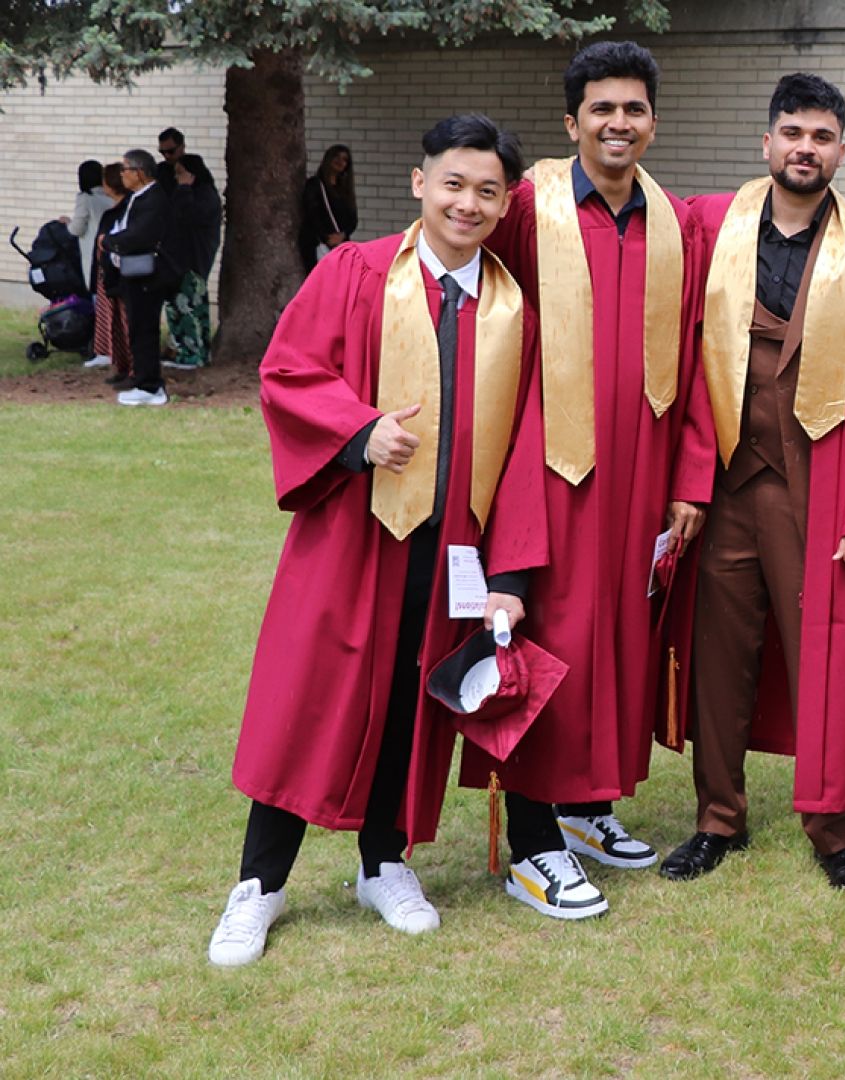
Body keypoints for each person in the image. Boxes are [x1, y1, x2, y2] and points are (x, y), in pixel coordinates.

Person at [206, 114, 547, 966]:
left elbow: (526, 450)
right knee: (306, 697)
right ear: (419, 183)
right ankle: (259, 883)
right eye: (454, 184)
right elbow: (288, 371)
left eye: (487, 191)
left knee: (408, 703)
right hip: (354, 531)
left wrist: (508, 570)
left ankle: (383, 862)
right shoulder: (356, 273)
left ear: (505, 205)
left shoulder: (511, 308)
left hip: (450, 544)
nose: (467, 203)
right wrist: (359, 434)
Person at [470, 40, 715, 919]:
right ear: (571, 121)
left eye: (634, 109)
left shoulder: (674, 222)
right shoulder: (527, 208)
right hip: (548, 468)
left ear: (654, 120)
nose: (619, 123)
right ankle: (535, 844)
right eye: (601, 109)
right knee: (551, 636)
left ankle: (585, 808)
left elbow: (695, 358)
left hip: (642, 478)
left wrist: (690, 478)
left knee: (619, 641)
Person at [662, 72, 845, 892]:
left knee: (830, 652)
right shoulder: (709, 226)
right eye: (792, 134)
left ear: (841, 150)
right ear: (765, 142)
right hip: (726, 476)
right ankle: (717, 818)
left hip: (822, 478)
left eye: (821, 137)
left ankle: (832, 829)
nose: (805, 149)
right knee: (718, 653)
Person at [100, 148, 186, 406]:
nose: (122, 175)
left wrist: (110, 242)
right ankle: (143, 381)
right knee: (138, 329)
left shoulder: (154, 199)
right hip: (134, 274)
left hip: (149, 275)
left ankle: (150, 387)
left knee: (145, 329)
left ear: (139, 172)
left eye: (125, 169)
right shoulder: (138, 197)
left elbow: (139, 236)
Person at [165, 153, 221, 369]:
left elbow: (186, 217)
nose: (177, 178)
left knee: (188, 308)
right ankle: (192, 351)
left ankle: (192, 354)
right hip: (183, 260)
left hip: (193, 260)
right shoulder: (195, 194)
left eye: (181, 173)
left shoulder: (203, 196)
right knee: (184, 307)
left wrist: (184, 189)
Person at [89, 164, 132, 377]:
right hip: (111, 271)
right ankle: (113, 357)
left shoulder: (121, 211)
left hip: (119, 272)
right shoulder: (116, 209)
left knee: (120, 317)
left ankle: (120, 359)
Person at [301, 144, 359, 273]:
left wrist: (342, 235)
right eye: (337, 157)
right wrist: (327, 237)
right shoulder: (315, 185)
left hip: (340, 246)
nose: (340, 161)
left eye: (345, 160)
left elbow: (353, 220)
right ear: (329, 158)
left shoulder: (344, 190)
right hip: (318, 244)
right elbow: (312, 214)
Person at [64, 160, 115, 285]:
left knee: (97, 292)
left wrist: (67, 223)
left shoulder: (86, 198)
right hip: (112, 249)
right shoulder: (112, 196)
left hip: (94, 253)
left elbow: (77, 229)